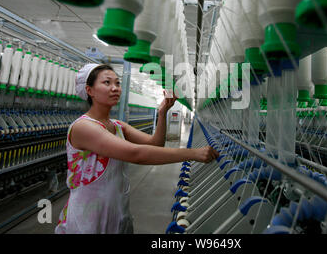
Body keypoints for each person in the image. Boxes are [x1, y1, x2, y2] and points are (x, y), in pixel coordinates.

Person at [55, 64, 218, 234]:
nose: (115, 88)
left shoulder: (118, 126)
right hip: (87, 218)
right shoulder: (83, 127)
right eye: (107, 82)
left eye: (118, 83)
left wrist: (162, 113)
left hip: (117, 213)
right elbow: (136, 154)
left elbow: (155, 144)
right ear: (90, 90)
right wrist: (192, 153)